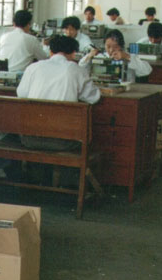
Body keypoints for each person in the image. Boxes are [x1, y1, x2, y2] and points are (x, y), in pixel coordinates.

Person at [16, 35, 100, 185]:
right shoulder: (75, 69)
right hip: (62, 141)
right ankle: (66, 183)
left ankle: (39, 180)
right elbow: (93, 97)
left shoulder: (33, 67)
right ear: (73, 53)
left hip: (29, 138)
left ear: (50, 51)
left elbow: (21, 94)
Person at [79, 29, 152, 82]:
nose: (111, 50)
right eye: (108, 46)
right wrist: (89, 56)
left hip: (126, 93)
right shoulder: (100, 56)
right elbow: (80, 67)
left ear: (121, 46)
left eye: (115, 47)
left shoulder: (129, 56)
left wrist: (127, 57)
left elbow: (147, 70)